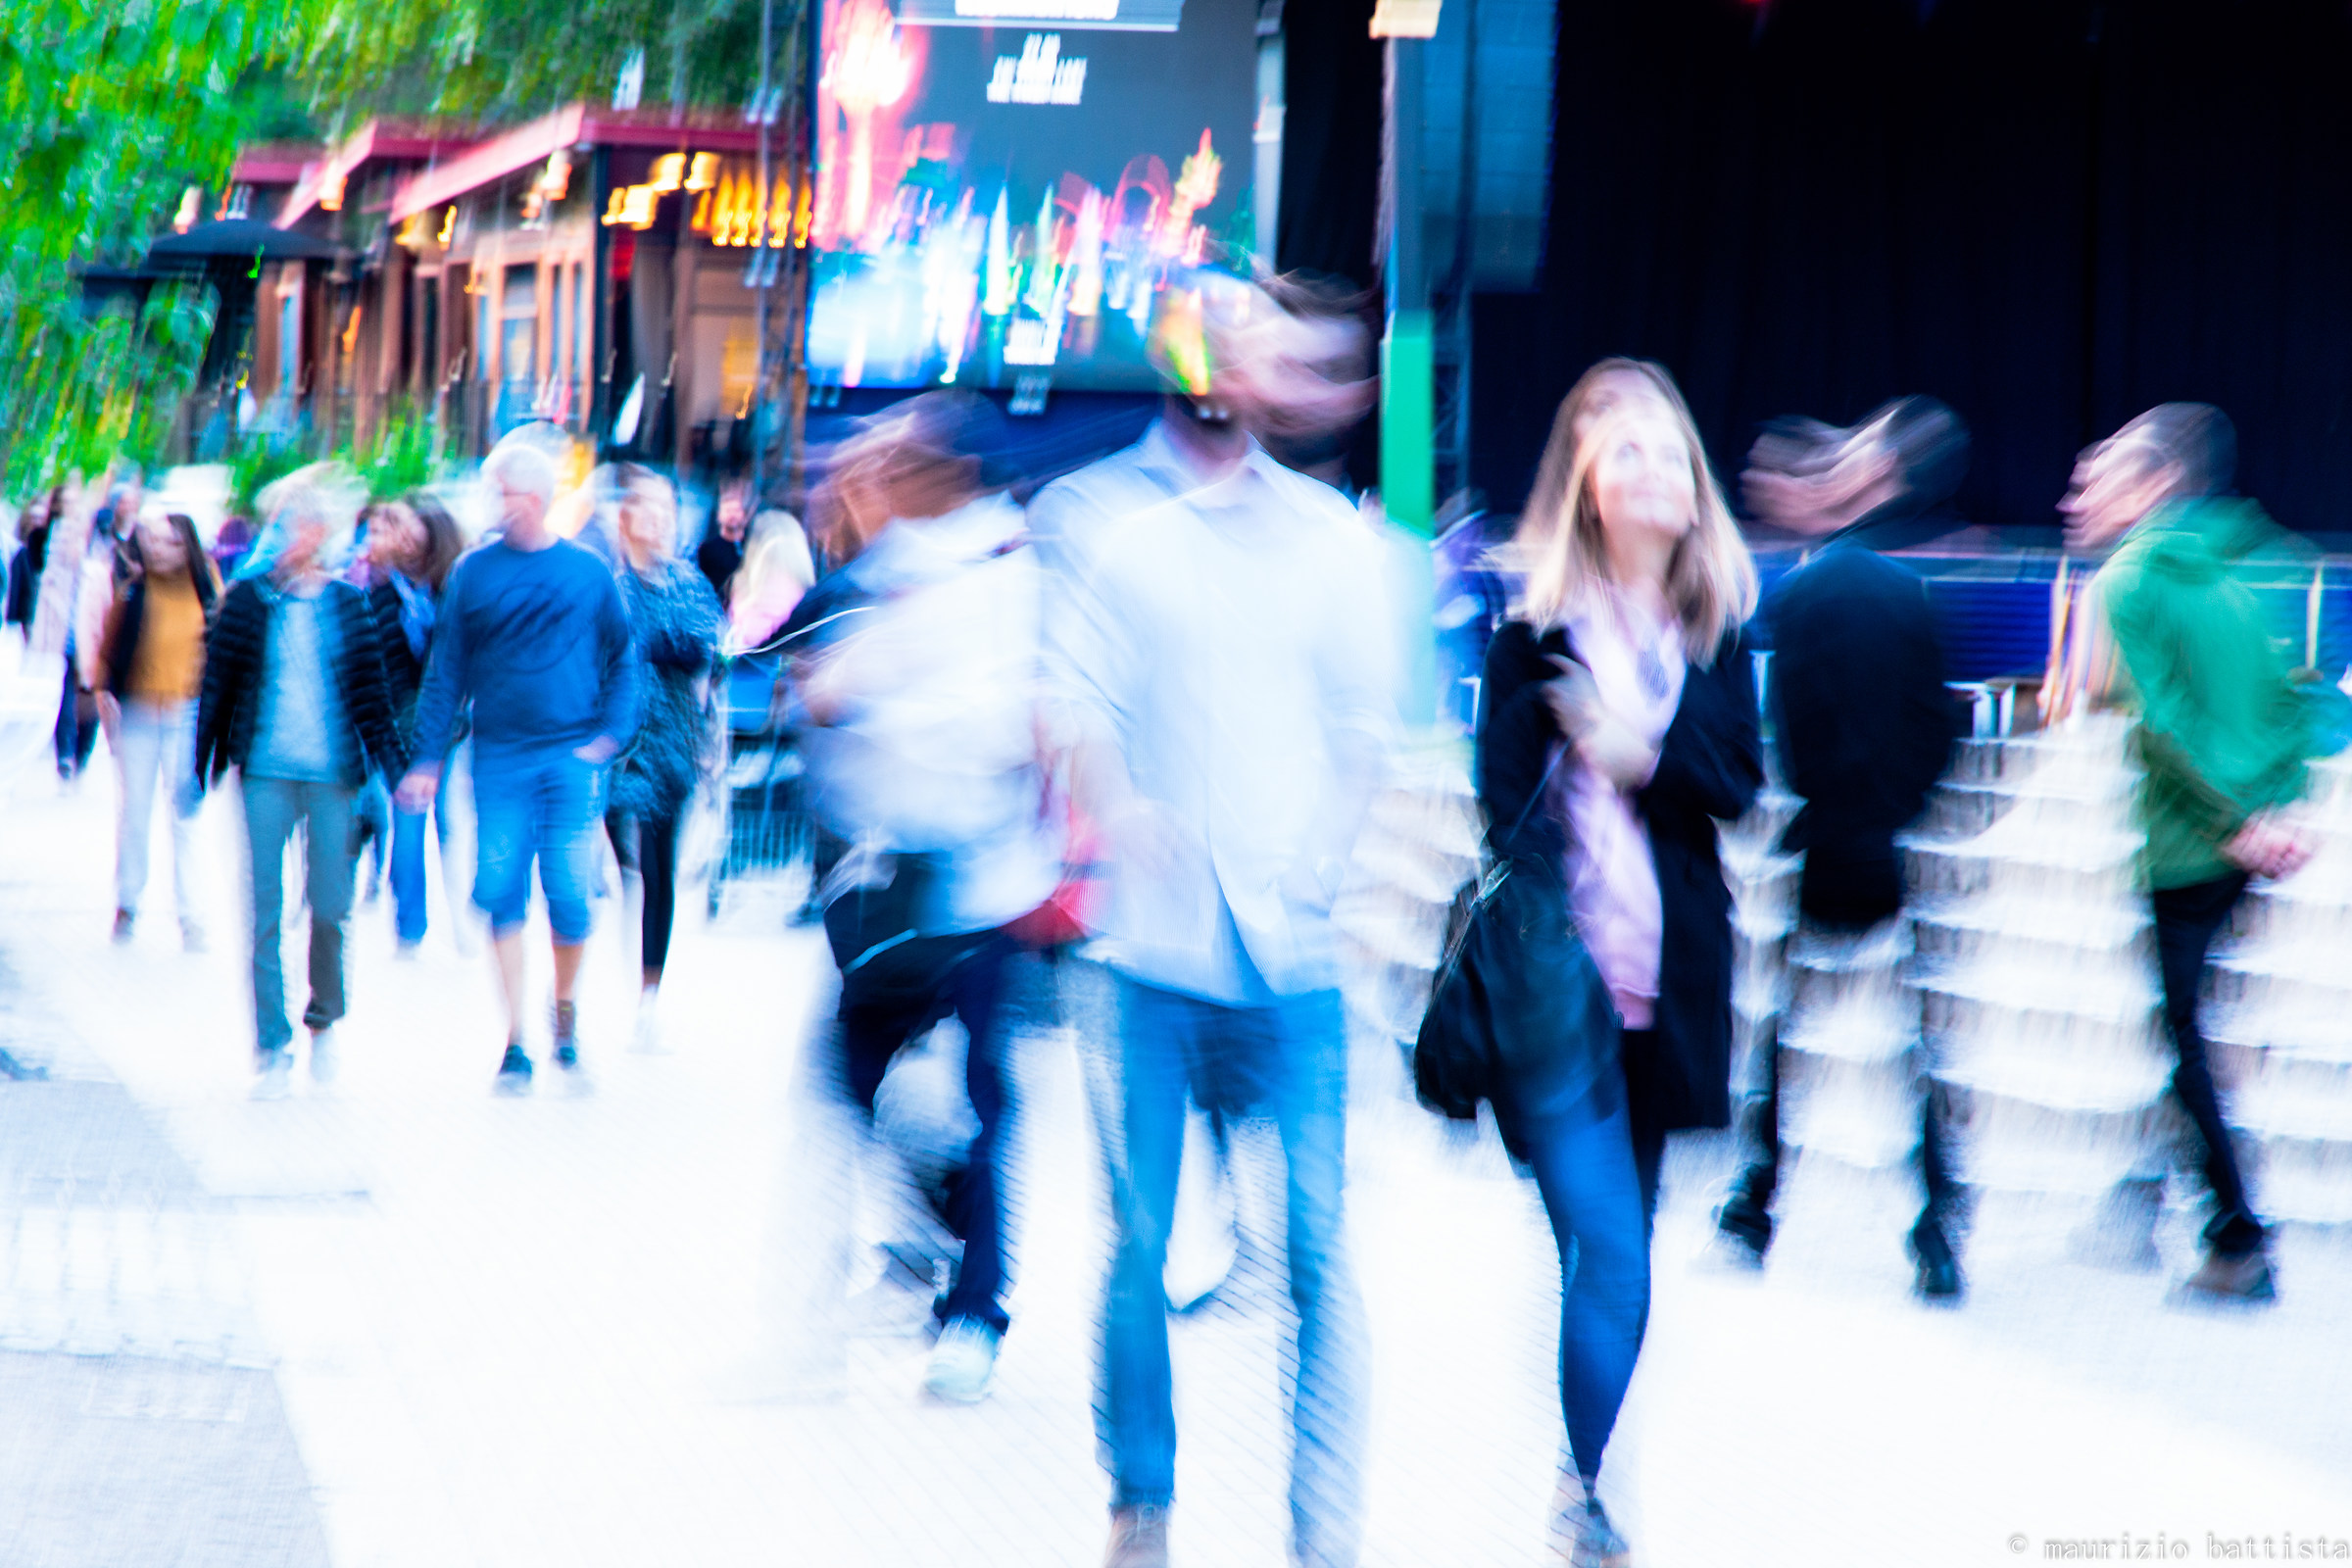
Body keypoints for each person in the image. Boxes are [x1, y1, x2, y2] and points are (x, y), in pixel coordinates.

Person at [1036, 284, 1396, 1568]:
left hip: (1288, 962)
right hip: (1150, 961)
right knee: (1137, 1235)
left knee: (1314, 1253)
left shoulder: (1339, 545)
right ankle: (1142, 1499)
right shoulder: (1116, 532)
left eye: (1263, 343)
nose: (1241, 363)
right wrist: (1116, 801)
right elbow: (1072, 703)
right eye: (1219, 338)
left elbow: (1366, 731)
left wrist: (1327, 853)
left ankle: (1325, 1532)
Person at [1481, 387, 1761, 1565]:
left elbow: (1734, 782)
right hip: (1559, 998)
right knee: (1612, 1247)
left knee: (1613, 1252)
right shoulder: (1530, 636)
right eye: (1626, 450)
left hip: (1670, 993)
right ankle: (1588, 1498)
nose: (1653, 470)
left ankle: (1573, 1466)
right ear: (1586, 480)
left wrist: (1631, 749)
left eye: (1673, 452)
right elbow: (1501, 813)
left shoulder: (1717, 637)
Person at [786, 393, 1057, 1403]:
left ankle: (976, 1305)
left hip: (981, 887)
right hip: (893, 885)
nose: (872, 481)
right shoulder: (896, 567)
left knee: (981, 1096)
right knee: (854, 1078)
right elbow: (817, 683)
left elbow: (995, 721)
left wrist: (881, 700)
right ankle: (939, 1242)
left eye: (893, 465)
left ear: (943, 476)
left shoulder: (1000, 570)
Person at [2058, 404, 2327, 1304]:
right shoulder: (2259, 560)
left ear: (2153, 484)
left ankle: (2235, 1237)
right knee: (2188, 1027)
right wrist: (2282, 806)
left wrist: (2229, 821)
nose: (2076, 498)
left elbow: (2158, 730)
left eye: (2096, 481)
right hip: (2251, 838)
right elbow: (2305, 694)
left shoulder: (2129, 580)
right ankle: (2149, 1195)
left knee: (2180, 1034)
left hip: (2187, 849)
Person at [1714, 399, 1971, 1298]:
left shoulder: (1803, 594)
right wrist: (1902, 804)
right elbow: (1940, 727)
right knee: (1915, 1048)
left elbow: (1784, 730)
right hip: (1893, 846)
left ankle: (1755, 1200)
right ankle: (1937, 1227)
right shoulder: (1908, 594)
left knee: (1786, 1034)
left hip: (1823, 843)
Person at [398, 441, 636, 1093]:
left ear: (527, 497)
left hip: (570, 759)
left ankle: (564, 1013)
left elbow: (624, 659)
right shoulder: (475, 574)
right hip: (499, 758)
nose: (488, 504)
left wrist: (609, 737)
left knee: (567, 893)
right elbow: (446, 675)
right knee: (501, 888)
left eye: (497, 491)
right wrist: (426, 760)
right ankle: (514, 1041)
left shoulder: (587, 574)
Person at [195, 466, 407, 1099]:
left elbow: (373, 696)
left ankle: (324, 1019)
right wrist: (200, 764)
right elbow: (219, 685)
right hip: (263, 771)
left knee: (331, 909)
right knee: (262, 908)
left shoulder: (350, 604)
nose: (287, 536)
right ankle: (271, 1042)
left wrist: (397, 770)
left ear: (321, 533)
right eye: (280, 525)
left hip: (333, 775)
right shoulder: (248, 600)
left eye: (299, 525)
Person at [605, 466, 724, 1054]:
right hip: (613, 751)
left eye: (666, 509)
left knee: (656, 871)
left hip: (671, 749)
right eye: (646, 508)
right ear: (625, 518)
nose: (658, 520)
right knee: (621, 859)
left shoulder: (689, 584)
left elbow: (705, 648)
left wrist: (674, 651)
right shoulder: (609, 586)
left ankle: (649, 994)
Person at [100, 507, 220, 951]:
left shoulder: (206, 589)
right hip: (138, 714)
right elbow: (109, 647)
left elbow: (221, 648)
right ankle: (127, 902)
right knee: (135, 814)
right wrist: (104, 695)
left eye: (171, 541)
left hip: (187, 714)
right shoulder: (133, 591)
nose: (159, 549)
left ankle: (192, 915)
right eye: (154, 540)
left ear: (187, 544)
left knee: (186, 814)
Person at [359, 495, 467, 950]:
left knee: (432, 820)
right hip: (417, 722)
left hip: (436, 723)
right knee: (428, 820)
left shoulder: (429, 589)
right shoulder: (399, 589)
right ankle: (425, 926)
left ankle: (434, 925)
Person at [696, 480, 753, 605]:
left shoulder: (752, 547)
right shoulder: (707, 550)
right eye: (727, 510)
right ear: (719, 515)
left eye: (736, 510)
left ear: (744, 514)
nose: (732, 515)